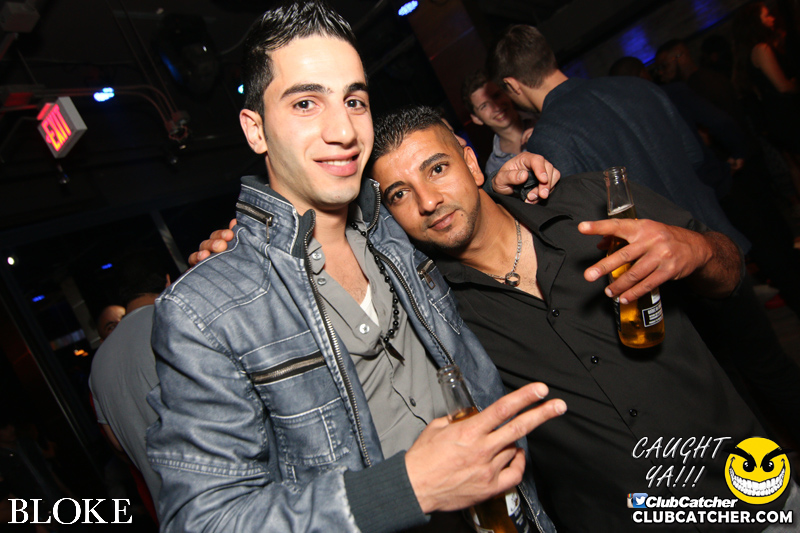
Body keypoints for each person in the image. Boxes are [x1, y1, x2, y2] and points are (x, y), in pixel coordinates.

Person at [147, 2, 565, 532]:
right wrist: (406, 489)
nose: (343, 130)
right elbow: (202, 520)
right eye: (305, 103)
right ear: (256, 130)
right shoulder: (204, 310)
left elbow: (477, 224)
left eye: (354, 101)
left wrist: (519, 183)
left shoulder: (400, 221)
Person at [368, 105, 800, 531]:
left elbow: (729, 277)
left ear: (471, 163)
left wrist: (698, 250)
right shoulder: (438, 315)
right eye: (399, 194)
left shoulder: (593, 202)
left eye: (437, 169)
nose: (428, 201)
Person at [488, 24, 751, 253]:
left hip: (667, 268)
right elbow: (695, 157)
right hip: (720, 243)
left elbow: (580, 227)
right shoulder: (640, 86)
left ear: (512, 84)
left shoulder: (547, 137)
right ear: (549, 57)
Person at [89, 251, 169, 510]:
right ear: (168, 280)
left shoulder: (98, 365)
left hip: (171, 511)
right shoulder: (174, 320)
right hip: (236, 500)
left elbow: (118, 445)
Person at [461, 69, 535, 177]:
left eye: (496, 96)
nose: (496, 107)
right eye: (484, 106)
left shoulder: (542, 118)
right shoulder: (494, 167)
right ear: (476, 119)